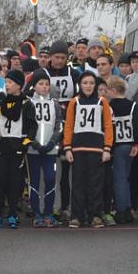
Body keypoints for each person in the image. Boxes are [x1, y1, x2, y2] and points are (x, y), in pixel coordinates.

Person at [0, 70, 37, 228]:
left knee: (15, 182)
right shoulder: (2, 101)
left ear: (19, 85)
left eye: (10, 82)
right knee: (1, 180)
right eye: (6, 82)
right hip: (3, 145)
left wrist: (25, 145)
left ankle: (13, 213)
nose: (6, 85)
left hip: (17, 145)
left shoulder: (27, 103)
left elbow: (32, 127)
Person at [63, 71, 114, 228]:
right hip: (78, 148)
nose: (88, 86)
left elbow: (108, 125)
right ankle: (77, 216)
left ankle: (95, 215)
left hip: (97, 149)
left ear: (96, 85)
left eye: (91, 83)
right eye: (85, 83)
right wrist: (67, 148)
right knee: (78, 183)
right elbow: (69, 125)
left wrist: (107, 148)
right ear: (80, 84)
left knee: (95, 184)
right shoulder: (75, 102)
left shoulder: (102, 102)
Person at [47, 40, 81, 221]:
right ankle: (52, 205)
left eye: (62, 58)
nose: (59, 61)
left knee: (68, 170)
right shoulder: (42, 73)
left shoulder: (74, 74)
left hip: (70, 124)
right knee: (53, 171)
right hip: (50, 124)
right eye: (56, 57)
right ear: (51, 57)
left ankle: (67, 206)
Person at [26, 69, 63, 228]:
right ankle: (37, 214)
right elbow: (26, 126)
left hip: (50, 150)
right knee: (34, 181)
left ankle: (48, 212)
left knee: (50, 179)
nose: (44, 87)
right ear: (34, 86)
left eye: (47, 84)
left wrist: (51, 143)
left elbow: (58, 126)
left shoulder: (54, 104)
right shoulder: (29, 103)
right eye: (41, 84)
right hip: (33, 150)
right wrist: (34, 144)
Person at [107, 76, 138, 224]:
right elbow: (137, 126)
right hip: (130, 144)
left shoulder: (110, 106)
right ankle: (128, 207)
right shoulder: (133, 105)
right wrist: (136, 144)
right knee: (126, 177)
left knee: (119, 179)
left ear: (113, 91)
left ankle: (122, 210)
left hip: (118, 145)